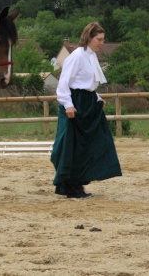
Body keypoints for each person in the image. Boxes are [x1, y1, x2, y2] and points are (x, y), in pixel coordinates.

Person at [51, 22, 122, 198]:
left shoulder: (91, 56)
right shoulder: (76, 57)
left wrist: (97, 98)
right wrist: (68, 104)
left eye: (103, 39)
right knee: (72, 145)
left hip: (87, 102)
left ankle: (79, 182)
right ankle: (70, 186)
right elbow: (64, 83)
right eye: (99, 39)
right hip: (76, 103)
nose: (102, 43)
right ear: (89, 38)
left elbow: (87, 83)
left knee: (93, 143)